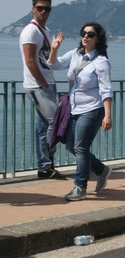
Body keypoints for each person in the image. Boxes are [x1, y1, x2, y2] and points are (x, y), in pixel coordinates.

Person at [48, 22, 113, 201]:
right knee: (71, 145)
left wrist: (107, 115)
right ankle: (101, 170)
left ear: (97, 38)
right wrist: (54, 49)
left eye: (90, 34)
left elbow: (106, 90)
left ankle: (80, 186)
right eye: (83, 33)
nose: (85, 36)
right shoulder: (75, 55)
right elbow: (54, 65)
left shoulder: (101, 62)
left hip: (92, 108)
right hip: (74, 108)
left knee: (81, 147)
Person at [19, 0, 64, 179]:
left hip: (46, 84)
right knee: (56, 121)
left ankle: (44, 168)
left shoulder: (44, 31)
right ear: (33, 9)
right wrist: (43, 84)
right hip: (38, 86)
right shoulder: (30, 31)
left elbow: (45, 60)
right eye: (40, 8)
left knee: (42, 128)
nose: (44, 11)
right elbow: (30, 61)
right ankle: (48, 162)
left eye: (47, 8)